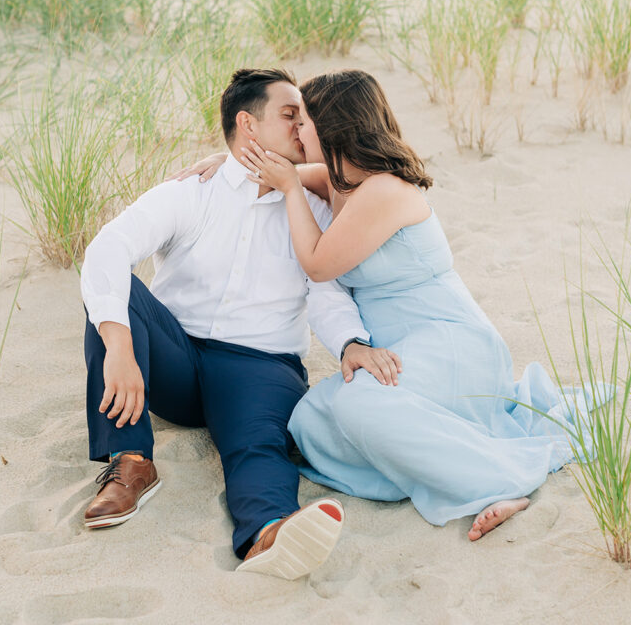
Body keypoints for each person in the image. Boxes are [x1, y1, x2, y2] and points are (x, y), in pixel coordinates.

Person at [225, 69, 602, 541]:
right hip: (401, 347)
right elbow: (272, 169)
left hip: (451, 341)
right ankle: (433, 467)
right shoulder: (340, 179)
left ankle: (501, 481)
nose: (297, 129)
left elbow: (319, 264)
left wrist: (289, 191)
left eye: (306, 120)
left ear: (335, 127)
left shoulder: (382, 190)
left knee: (361, 410)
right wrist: (219, 166)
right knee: (310, 422)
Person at [79, 68, 402, 579]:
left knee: (258, 448)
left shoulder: (313, 205)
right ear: (248, 124)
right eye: (290, 116)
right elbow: (108, 248)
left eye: (306, 118)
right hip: (176, 359)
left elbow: (326, 290)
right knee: (119, 294)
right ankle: (131, 462)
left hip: (261, 366)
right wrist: (119, 346)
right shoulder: (192, 191)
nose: (304, 128)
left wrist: (350, 343)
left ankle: (268, 531)